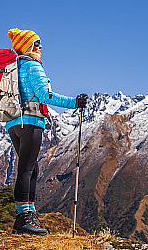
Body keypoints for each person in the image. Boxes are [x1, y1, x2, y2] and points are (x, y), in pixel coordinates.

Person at [6, 28, 88, 235]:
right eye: (36, 43)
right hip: (31, 122)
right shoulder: (33, 66)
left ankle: (28, 214)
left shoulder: (13, 67)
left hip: (13, 124)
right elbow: (45, 95)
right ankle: (23, 219)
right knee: (26, 169)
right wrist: (74, 103)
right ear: (26, 46)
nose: (40, 47)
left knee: (31, 169)